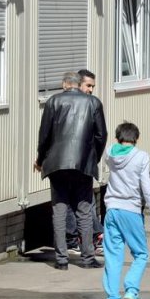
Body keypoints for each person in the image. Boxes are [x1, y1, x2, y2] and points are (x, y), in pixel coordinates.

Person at [35, 72, 108, 270]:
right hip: (83, 164)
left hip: (57, 164)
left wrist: (41, 160)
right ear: (78, 85)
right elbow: (102, 135)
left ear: (64, 84)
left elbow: (44, 135)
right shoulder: (93, 103)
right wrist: (94, 158)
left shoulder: (53, 101)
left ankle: (61, 260)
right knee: (84, 211)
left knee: (59, 211)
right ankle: (87, 258)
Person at [102, 122, 150, 299]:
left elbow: (109, 148)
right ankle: (131, 290)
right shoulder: (141, 156)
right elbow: (146, 185)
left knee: (112, 256)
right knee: (141, 253)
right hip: (131, 210)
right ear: (136, 139)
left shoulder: (110, 153)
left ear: (118, 138)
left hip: (111, 210)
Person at [66, 69, 105, 256]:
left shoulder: (92, 104)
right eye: (88, 85)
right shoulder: (70, 104)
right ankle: (87, 237)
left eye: (92, 87)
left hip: (82, 161)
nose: (90, 90)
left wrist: (94, 157)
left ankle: (90, 236)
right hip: (71, 161)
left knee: (82, 201)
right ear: (78, 84)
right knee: (80, 201)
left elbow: (100, 135)